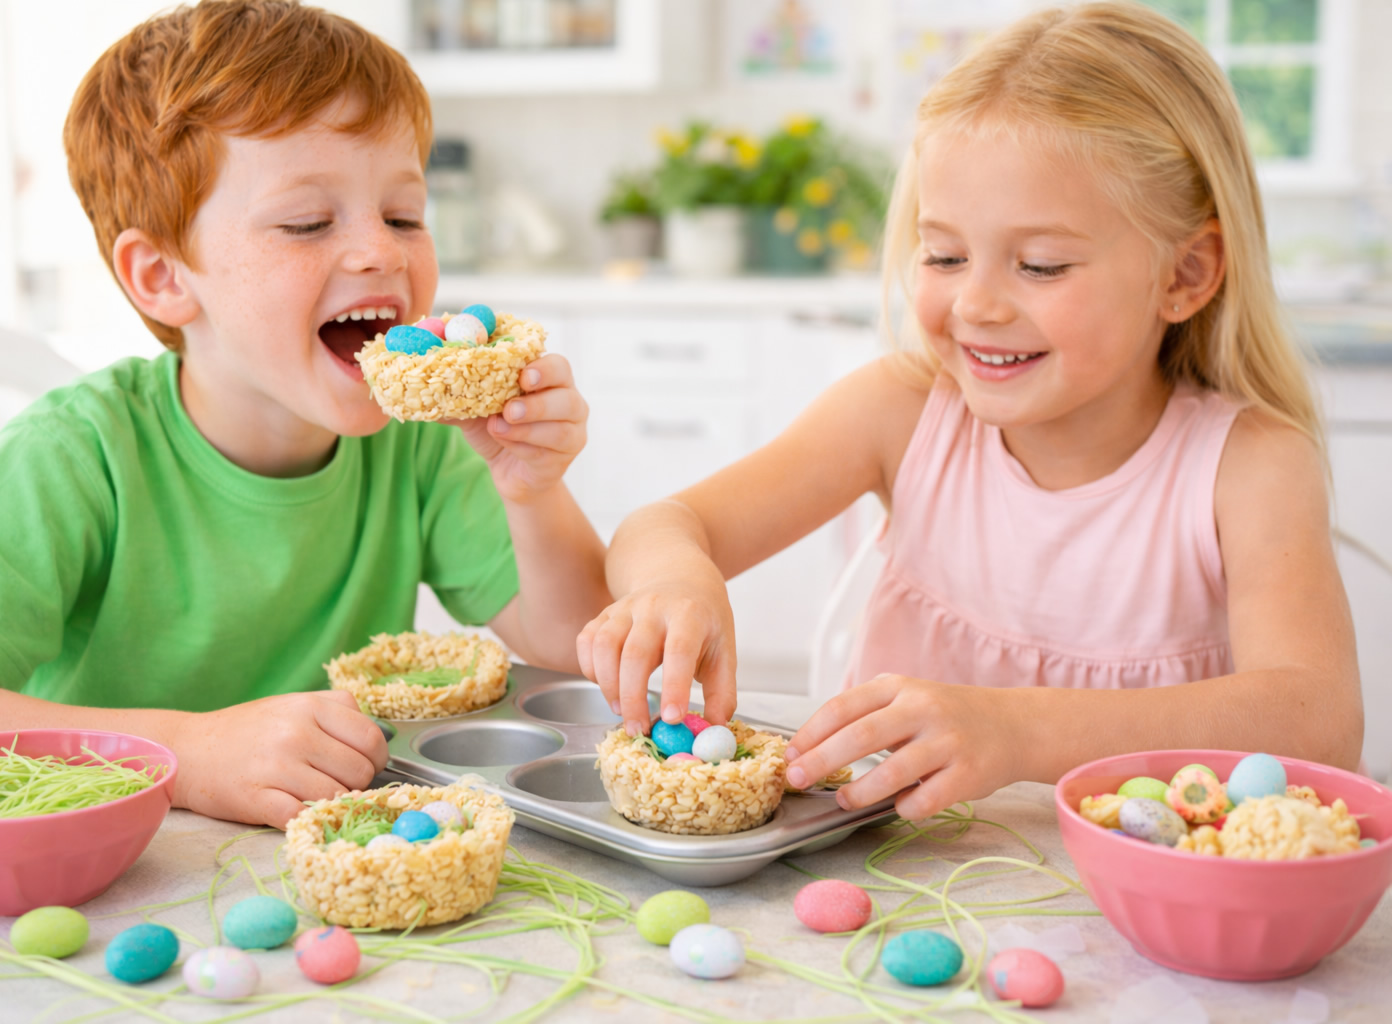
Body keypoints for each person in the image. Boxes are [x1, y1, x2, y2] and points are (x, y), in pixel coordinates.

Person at [576, 2, 1362, 821]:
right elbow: (662, 523)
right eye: (944, 255)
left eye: (1042, 265)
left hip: (1136, 916)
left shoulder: (1249, 465)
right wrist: (676, 581)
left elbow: (1319, 721)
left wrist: (1017, 729)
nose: (977, 303)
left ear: (1184, 275)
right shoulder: (904, 412)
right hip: (896, 885)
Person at [0, 0, 609, 829]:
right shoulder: (77, 455)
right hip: (120, 866)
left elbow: (575, 647)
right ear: (163, 277)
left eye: (403, 215)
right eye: (307, 222)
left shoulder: (419, 445)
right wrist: (187, 751)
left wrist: (532, 488)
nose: (384, 251)